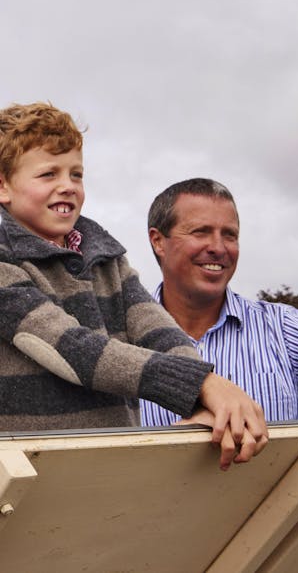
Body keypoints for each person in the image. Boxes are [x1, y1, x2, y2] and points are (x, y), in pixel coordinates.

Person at [0, 104, 268, 470]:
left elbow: (158, 331)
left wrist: (206, 400)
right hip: (27, 469)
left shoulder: (106, 256)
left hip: (111, 461)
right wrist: (199, 385)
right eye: (48, 174)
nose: (67, 186)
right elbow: (67, 347)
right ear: (3, 185)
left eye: (76, 174)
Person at [140, 178, 298, 427]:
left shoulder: (286, 330)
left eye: (230, 235)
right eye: (201, 232)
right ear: (158, 241)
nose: (219, 247)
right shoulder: (120, 340)